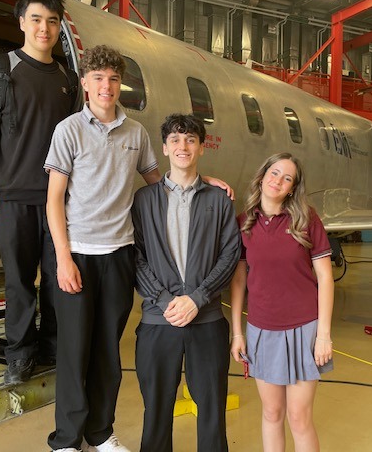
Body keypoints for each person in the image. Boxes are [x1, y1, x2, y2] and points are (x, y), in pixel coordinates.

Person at [45, 46, 232, 452]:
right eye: (98, 79)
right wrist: (62, 258)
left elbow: (160, 183)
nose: (106, 86)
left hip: (118, 253)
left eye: (113, 79)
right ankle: (65, 440)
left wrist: (205, 182)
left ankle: (100, 433)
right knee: (75, 350)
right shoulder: (69, 130)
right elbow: (53, 198)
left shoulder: (135, 133)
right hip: (77, 251)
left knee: (108, 352)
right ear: (85, 84)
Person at [0, 0, 78, 385]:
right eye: (36, 19)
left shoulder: (68, 78)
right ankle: (20, 354)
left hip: (58, 200)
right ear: (21, 22)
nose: (44, 28)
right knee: (18, 281)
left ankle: (51, 346)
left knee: (56, 277)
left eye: (52, 21)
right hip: (12, 195)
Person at [131, 114, 241, 452]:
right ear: (164, 148)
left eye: (191, 140)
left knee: (211, 412)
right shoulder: (144, 200)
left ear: (201, 148)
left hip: (207, 322)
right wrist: (165, 301)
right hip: (156, 321)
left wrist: (198, 298)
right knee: (157, 411)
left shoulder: (219, 200)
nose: (183, 146)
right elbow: (135, 257)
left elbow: (230, 254)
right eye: (176, 141)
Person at [229, 152, 334, 452]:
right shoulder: (244, 223)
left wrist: (323, 336)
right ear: (262, 177)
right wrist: (238, 333)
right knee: (272, 413)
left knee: (299, 417)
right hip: (262, 330)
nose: (278, 181)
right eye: (275, 173)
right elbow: (238, 281)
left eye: (287, 178)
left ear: (292, 188)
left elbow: (326, 279)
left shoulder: (307, 220)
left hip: (305, 329)